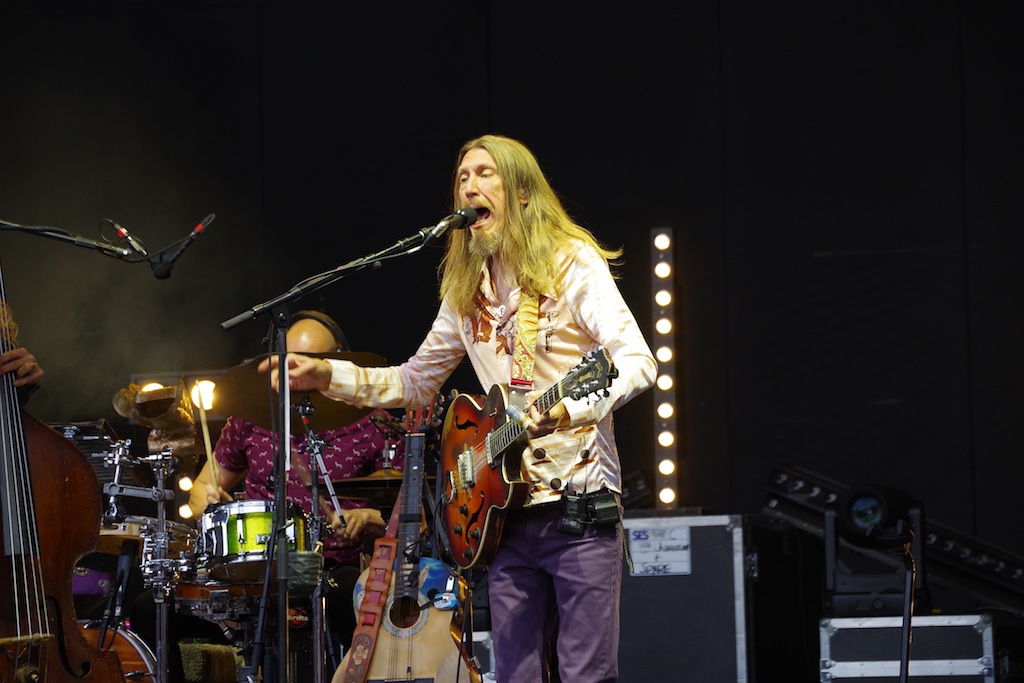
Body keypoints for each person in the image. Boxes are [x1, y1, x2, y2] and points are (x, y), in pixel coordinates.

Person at [258, 135, 657, 683]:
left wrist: (569, 411)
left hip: (578, 505)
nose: (470, 186)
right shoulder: (467, 291)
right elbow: (415, 381)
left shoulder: (571, 262)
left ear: (521, 192)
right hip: (501, 516)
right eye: (463, 177)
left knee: (585, 673)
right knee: (515, 675)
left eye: (486, 174)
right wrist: (327, 375)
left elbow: (637, 363)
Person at [189, 310, 400, 660]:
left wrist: (366, 517)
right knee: (153, 609)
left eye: (312, 362)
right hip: (256, 567)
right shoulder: (251, 419)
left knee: (356, 603)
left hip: (333, 567)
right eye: (291, 363)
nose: (299, 373)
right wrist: (209, 503)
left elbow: (410, 516)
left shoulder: (374, 423)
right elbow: (200, 490)